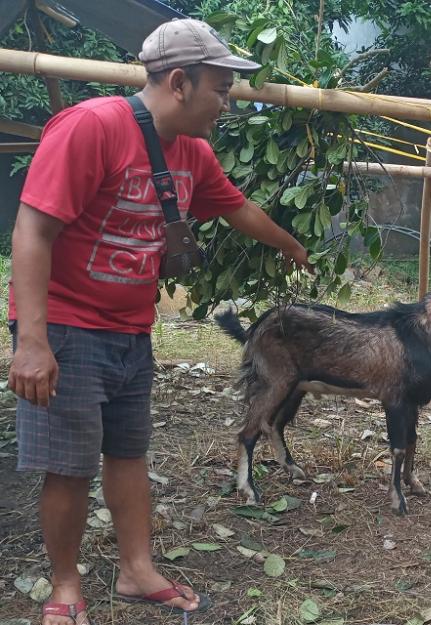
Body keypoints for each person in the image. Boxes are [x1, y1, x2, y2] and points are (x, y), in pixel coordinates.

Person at [7, 19, 310, 625]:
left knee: (128, 453)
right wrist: (33, 343)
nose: (227, 103)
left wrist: (291, 246)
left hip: (129, 329)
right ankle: (65, 587)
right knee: (69, 464)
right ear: (179, 82)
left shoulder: (191, 151)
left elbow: (236, 207)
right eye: (221, 90)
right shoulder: (92, 128)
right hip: (66, 326)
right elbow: (32, 230)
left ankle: (136, 570)